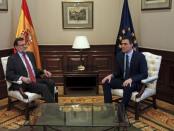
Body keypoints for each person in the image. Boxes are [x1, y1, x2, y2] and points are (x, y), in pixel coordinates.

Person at [102, 35, 148, 108]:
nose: (122, 46)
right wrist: (111, 75)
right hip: (123, 80)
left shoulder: (140, 56)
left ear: (131, 45)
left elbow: (144, 74)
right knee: (106, 82)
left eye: (125, 44)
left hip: (134, 83)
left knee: (127, 85)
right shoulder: (119, 55)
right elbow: (118, 72)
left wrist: (131, 79)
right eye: (122, 44)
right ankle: (108, 107)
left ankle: (122, 109)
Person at [6, 37, 56, 103]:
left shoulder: (30, 54)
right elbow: (9, 75)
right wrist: (22, 78)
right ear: (16, 47)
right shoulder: (12, 59)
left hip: (35, 79)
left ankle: (49, 103)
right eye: (21, 45)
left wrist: (43, 71)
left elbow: (34, 69)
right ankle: (53, 108)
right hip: (26, 83)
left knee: (51, 82)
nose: (24, 46)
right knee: (43, 87)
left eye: (24, 44)